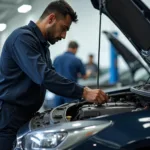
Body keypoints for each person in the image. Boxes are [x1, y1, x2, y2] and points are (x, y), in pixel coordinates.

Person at [0, 0, 108, 149]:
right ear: (51, 19)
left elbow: (52, 75)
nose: (64, 36)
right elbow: (44, 77)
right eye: (64, 28)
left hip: (25, 115)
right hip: (10, 118)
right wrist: (83, 92)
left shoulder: (42, 46)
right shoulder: (22, 39)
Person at [53, 41, 91, 106]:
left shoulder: (56, 59)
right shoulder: (76, 60)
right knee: (72, 114)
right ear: (75, 49)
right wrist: (89, 72)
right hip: (70, 93)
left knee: (57, 114)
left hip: (57, 93)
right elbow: (84, 77)